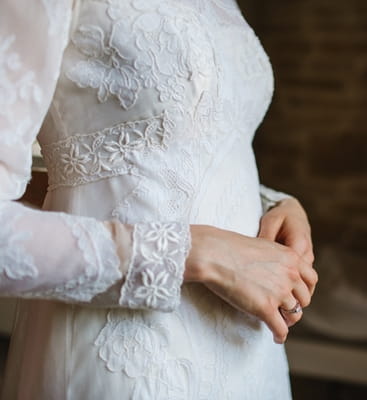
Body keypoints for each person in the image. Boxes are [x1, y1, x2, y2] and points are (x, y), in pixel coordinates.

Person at [0, 0, 317, 398]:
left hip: (250, 359)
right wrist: (195, 252)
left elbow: (172, 152)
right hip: (128, 357)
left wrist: (271, 204)